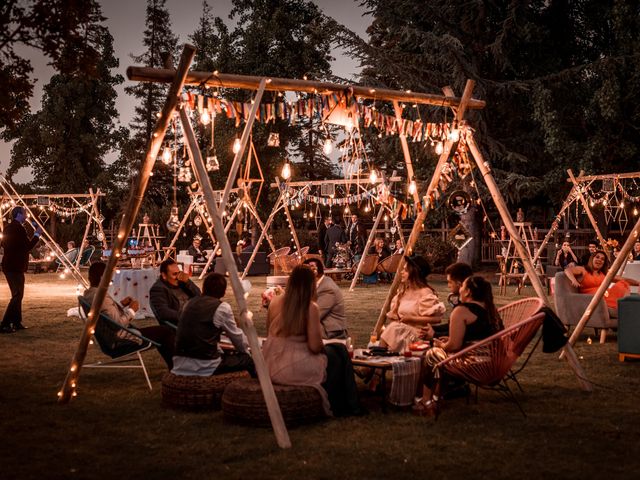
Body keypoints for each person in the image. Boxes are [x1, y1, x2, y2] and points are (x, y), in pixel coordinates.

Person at [263, 265, 362, 417]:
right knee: (338, 352)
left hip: (271, 363)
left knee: (336, 351)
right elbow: (315, 346)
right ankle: (346, 404)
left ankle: (351, 404)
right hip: (292, 367)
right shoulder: (309, 307)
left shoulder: (275, 302)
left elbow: (269, 333)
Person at [414, 275, 503, 416]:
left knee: (432, 354)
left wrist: (441, 345)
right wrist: (448, 340)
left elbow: (454, 346)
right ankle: (437, 397)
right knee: (442, 355)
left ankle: (426, 402)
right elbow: (476, 336)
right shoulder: (491, 311)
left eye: (462, 286)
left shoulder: (461, 311)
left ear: (468, 291)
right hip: (495, 364)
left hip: (474, 365)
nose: (459, 289)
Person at [83, 262, 176, 368]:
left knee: (162, 331)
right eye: (109, 276)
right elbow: (117, 324)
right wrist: (132, 310)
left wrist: (121, 305)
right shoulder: (101, 298)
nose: (111, 280)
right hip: (121, 340)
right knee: (166, 332)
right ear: (102, 277)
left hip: (113, 337)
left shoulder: (89, 294)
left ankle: (175, 368)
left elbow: (106, 316)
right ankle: (177, 370)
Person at [172, 273, 255, 377]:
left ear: (203, 288)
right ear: (223, 292)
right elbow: (237, 338)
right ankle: (257, 390)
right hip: (205, 365)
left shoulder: (189, 303)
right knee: (247, 360)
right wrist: (248, 351)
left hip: (179, 362)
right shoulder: (222, 307)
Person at [379, 255, 446, 352]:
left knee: (393, 328)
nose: (401, 272)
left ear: (414, 272)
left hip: (419, 335)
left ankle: (379, 354)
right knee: (393, 327)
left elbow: (437, 319)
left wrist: (411, 319)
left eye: (405, 270)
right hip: (402, 331)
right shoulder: (403, 292)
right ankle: (380, 355)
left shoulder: (425, 292)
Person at [1, 207, 42, 333]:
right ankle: (5, 324)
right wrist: (37, 235)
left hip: (12, 266)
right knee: (17, 295)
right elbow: (27, 246)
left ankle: (16, 322)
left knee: (19, 295)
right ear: (19, 214)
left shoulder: (9, 228)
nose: (26, 216)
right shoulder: (18, 229)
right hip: (13, 266)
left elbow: (4, 244)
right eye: (25, 213)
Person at [564, 250, 639, 316]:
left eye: (602, 259)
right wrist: (573, 280)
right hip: (593, 300)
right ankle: (626, 307)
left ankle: (626, 307)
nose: (599, 260)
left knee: (622, 283)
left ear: (604, 263)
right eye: (597, 257)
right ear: (592, 259)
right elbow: (568, 270)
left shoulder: (604, 274)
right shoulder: (583, 269)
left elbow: (623, 279)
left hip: (606, 297)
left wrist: (638, 283)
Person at [303, 257, 347, 339]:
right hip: (323, 327)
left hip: (330, 332)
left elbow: (314, 315)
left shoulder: (327, 289)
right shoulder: (319, 284)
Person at [149, 258, 201, 328]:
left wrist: (188, 282)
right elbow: (163, 312)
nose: (178, 277)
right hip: (179, 326)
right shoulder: (158, 289)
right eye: (174, 274)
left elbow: (199, 295)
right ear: (164, 275)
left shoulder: (182, 283)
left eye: (178, 273)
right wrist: (187, 316)